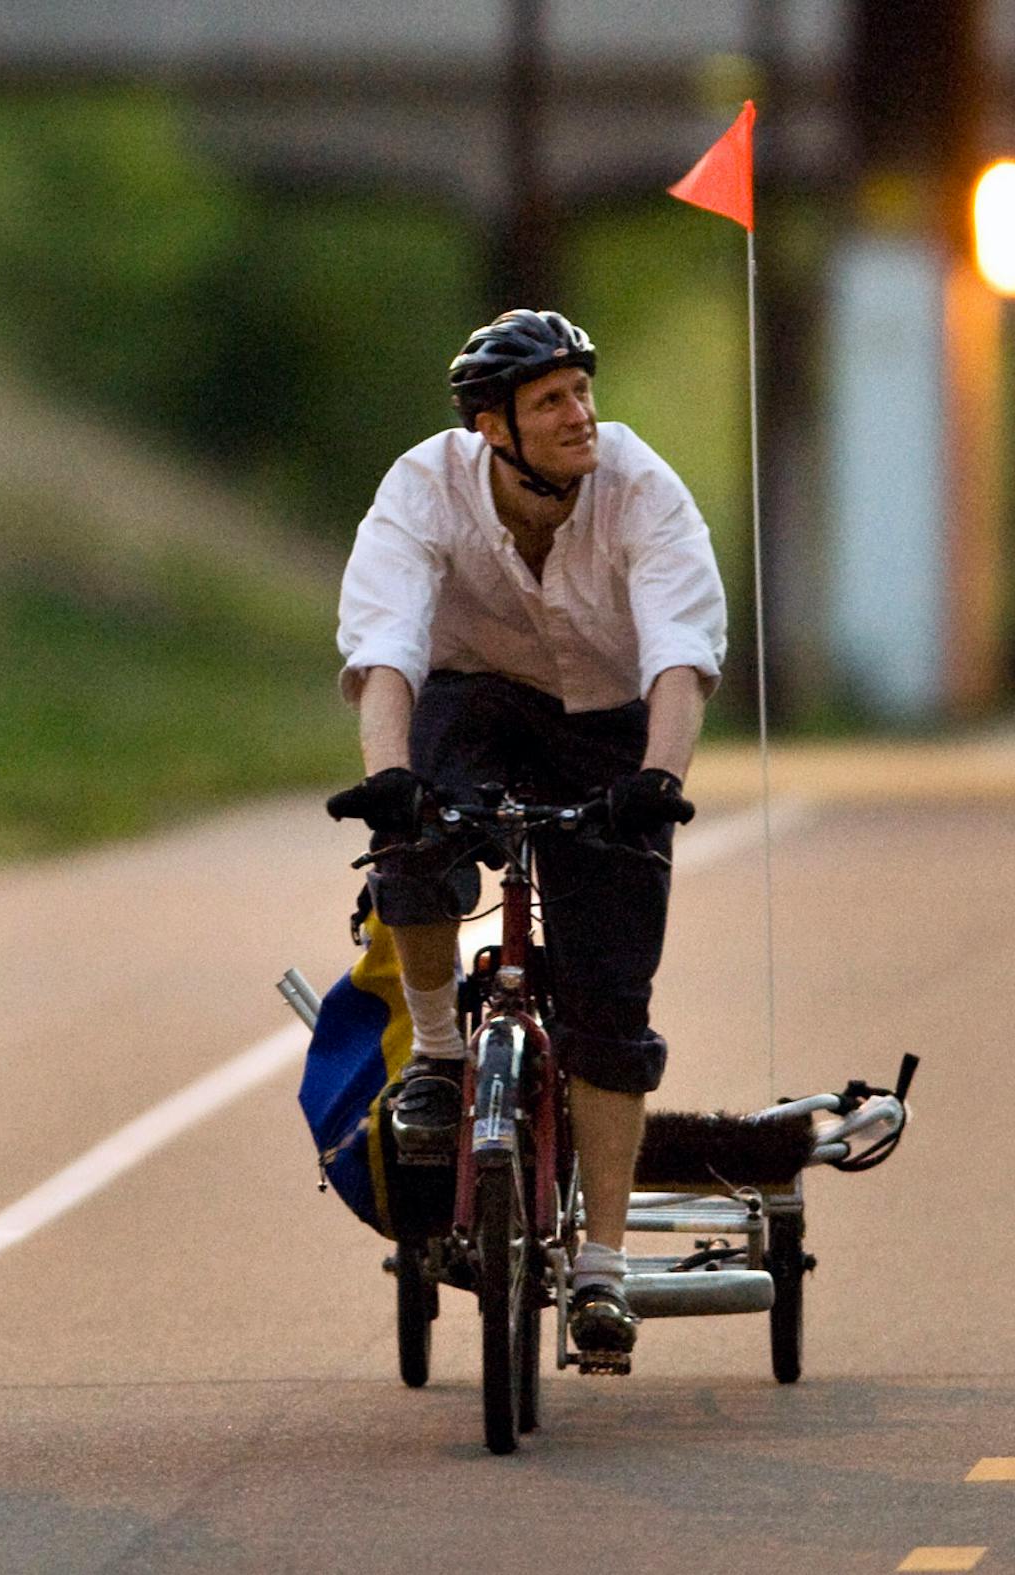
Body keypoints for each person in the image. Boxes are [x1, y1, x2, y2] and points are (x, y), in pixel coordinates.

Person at [326, 309, 726, 1365]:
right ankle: (441, 1061)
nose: (580, 415)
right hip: (476, 698)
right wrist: (391, 784)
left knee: (609, 1004)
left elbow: (681, 653)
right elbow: (387, 650)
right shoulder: (425, 488)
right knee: (409, 850)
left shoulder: (642, 489)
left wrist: (658, 782)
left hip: (609, 728)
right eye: (551, 401)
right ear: (492, 427)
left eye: (583, 392)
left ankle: (599, 1267)